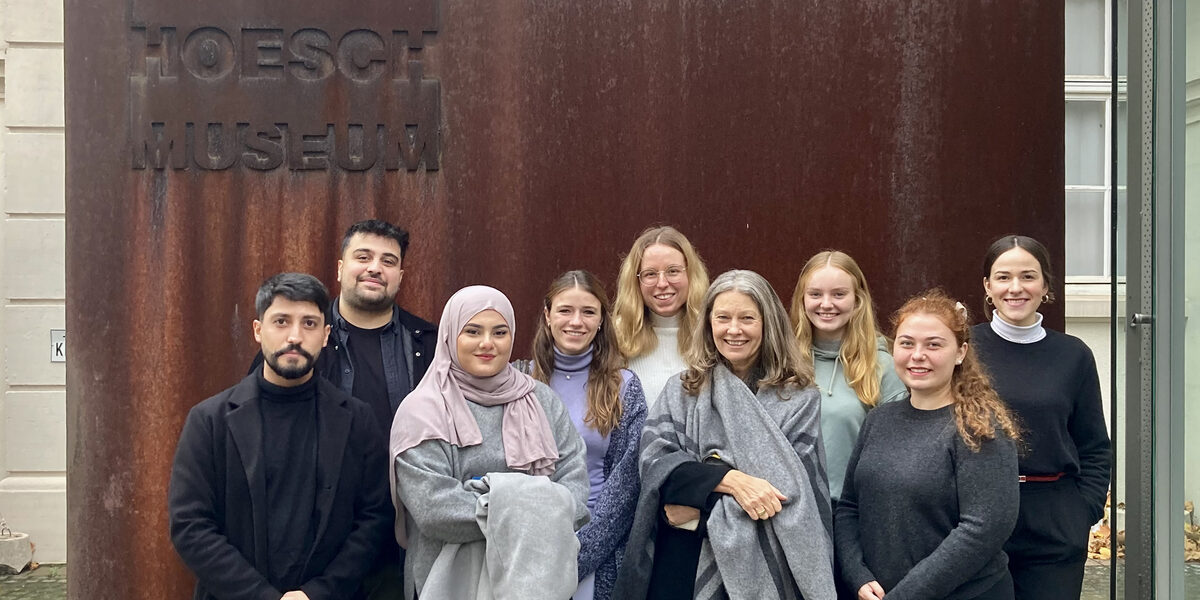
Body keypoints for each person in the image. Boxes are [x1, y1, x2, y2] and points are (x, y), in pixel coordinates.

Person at [614, 270, 836, 600]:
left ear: (768, 324)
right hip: (682, 570)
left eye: (747, 318)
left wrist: (698, 513)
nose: (734, 330)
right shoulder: (682, 389)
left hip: (767, 566)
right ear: (708, 323)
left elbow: (786, 498)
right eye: (723, 318)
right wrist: (733, 481)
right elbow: (656, 467)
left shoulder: (800, 399)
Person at [169, 273, 391, 600]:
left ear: (326, 335)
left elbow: (375, 518)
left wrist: (319, 593)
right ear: (258, 330)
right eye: (281, 322)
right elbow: (190, 524)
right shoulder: (210, 420)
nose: (295, 336)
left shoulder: (357, 420)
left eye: (310, 324)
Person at [248, 219, 436, 598]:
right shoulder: (297, 343)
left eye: (387, 260)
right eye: (362, 257)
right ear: (340, 267)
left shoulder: (428, 346)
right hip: (311, 543)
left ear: (400, 274)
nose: (374, 268)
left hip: (399, 539)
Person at [389, 285, 590, 600]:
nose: (487, 343)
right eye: (472, 331)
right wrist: (536, 500)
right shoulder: (422, 412)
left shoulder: (541, 401)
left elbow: (575, 488)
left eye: (499, 332)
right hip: (449, 584)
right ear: (450, 335)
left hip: (535, 581)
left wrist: (483, 491)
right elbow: (434, 511)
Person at [835, 289, 1020, 600]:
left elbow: (983, 529)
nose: (917, 355)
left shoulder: (980, 427)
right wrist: (857, 575)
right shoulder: (879, 420)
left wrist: (906, 595)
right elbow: (849, 508)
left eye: (934, 344)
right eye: (907, 343)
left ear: (960, 352)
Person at [972, 235, 1110, 600]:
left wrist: (1082, 512)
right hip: (978, 515)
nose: (1015, 288)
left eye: (1028, 276)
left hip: (1053, 518)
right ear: (988, 286)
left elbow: (1094, 445)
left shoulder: (1073, 355)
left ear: (1046, 284)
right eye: (1003, 277)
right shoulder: (964, 351)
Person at [528, 270, 648, 600]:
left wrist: (578, 556)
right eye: (566, 310)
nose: (576, 321)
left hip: (598, 550)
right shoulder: (518, 382)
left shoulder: (624, 387)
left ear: (601, 321)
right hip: (527, 547)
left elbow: (628, 483)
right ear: (548, 314)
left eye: (589, 312)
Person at [788, 250, 907, 504]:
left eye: (839, 294)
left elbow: (898, 456)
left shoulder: (883, 366)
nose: (826, 304)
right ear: (802, 299)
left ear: (857, 299)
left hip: (853, 511)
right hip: (790, 508)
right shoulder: (784, 363)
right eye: (816, 294)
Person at [612, 225, 710, 407]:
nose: (662, 283)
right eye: (650, 274)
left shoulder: (713, 335)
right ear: (635, 281)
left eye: (673, 271)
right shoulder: (616, 338)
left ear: (691, 274)